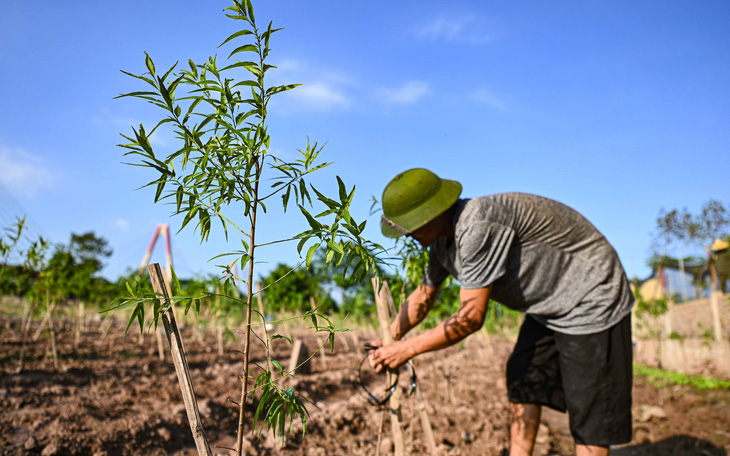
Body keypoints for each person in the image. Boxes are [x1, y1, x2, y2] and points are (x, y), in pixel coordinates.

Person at [368, 168, 634, 456]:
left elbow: (470, 318)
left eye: (410, 226)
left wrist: (406, 350)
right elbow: (424, 295)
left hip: (591, 294)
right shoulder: (441, 244)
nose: (406, 235)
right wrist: (390, 337)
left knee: (589, 407)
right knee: (523, 375)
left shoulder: (478, 225)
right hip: (550, 305)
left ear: (431, 214)